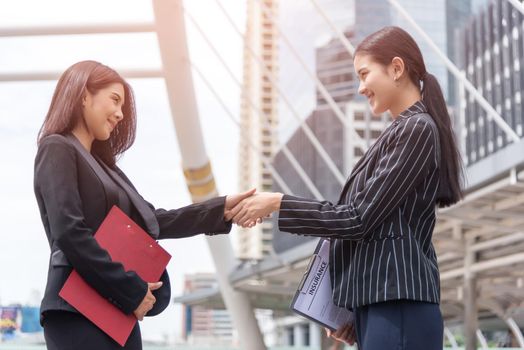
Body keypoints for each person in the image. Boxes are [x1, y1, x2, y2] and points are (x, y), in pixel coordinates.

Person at [227, 26, 464, 350]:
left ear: (396, 68)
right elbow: (373, 230)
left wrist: (279, 203)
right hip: (384, 303)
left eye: (365, 74)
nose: (361, 87)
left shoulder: (417, 129)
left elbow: (357, 219)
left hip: (399, 305)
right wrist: (352, 305)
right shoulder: (399, 133)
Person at [34, 60, 252, 350]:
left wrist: (220, 209)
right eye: (114, 100)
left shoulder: (106, 168)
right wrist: (131, 289)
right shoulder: (57, 147)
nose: (119, 114)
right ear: (83, 94)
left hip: (114, 310)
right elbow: (69, 231)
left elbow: (152, 221)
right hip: (77, 309)